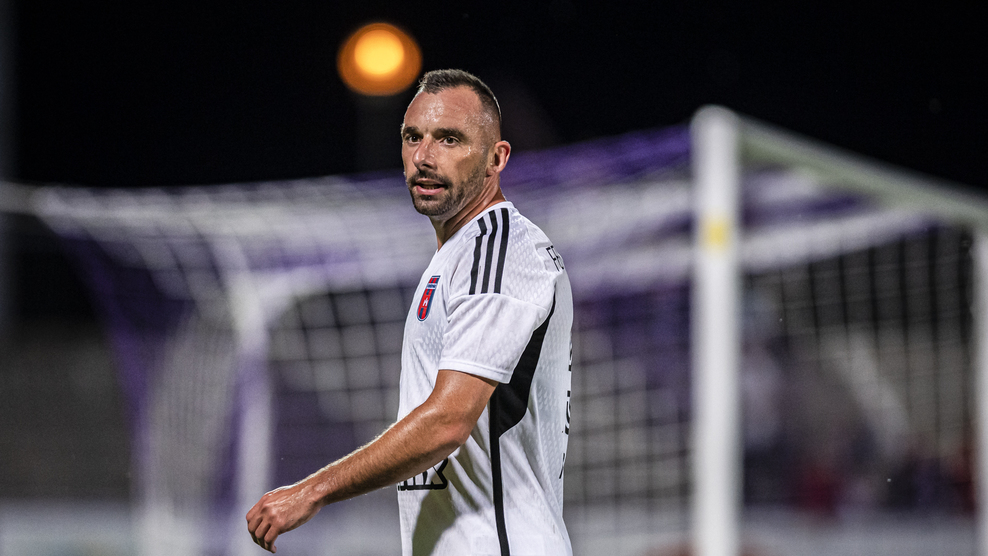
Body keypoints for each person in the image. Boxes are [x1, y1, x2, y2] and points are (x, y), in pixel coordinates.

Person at [247, 69, 573, 555]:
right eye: (413, 137)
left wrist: (312, 491)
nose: (423, 156)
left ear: (496, 158)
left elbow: (447, 422)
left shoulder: (497, 251)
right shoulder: (459, 253)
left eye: (449, 139)